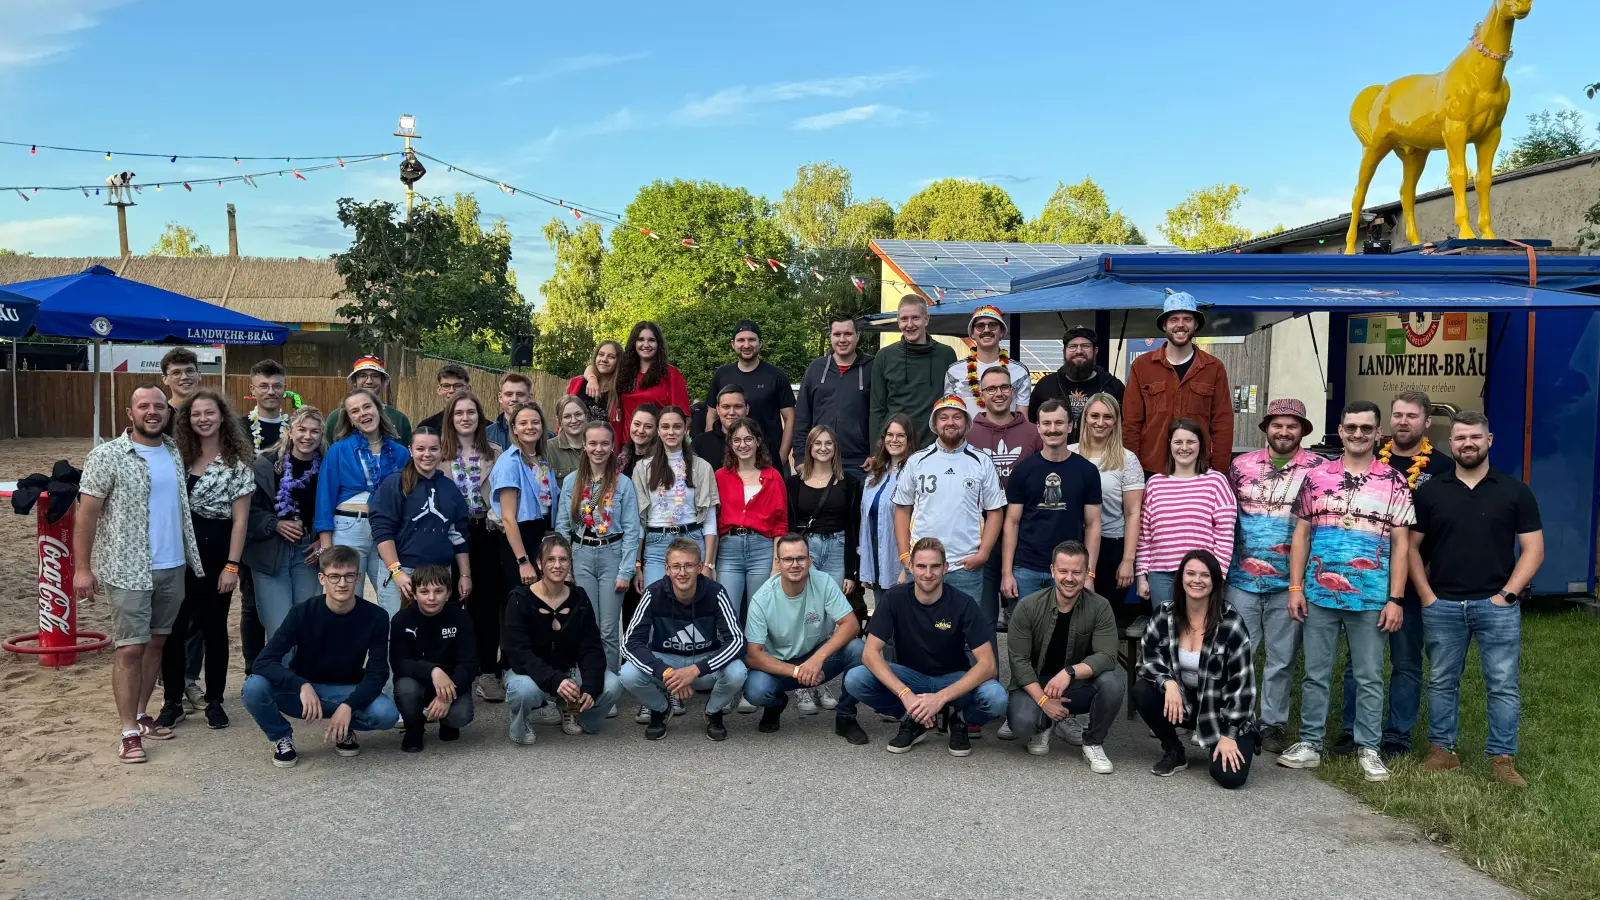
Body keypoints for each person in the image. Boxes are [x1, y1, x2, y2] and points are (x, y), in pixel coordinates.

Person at [1278, 400, 1413, 783]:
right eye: (1351, 427)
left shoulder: (1393, 481)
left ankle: (1368, 747)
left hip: (1371, 597)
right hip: (1320, 597)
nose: (1358, 434)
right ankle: (1310, 743)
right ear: (1340, 431)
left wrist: (1395, 598)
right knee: (1316, 673)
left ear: (1377, 433)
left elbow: (1402, 545)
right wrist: (1295, 586)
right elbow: (1301, 535)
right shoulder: (1317, 478)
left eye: (1366, 429)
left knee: (1369, 675)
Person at [1410, 410, 1543, 787]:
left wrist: (1508, 595)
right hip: (1444, 605)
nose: (1467, 443)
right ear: (1449, 444)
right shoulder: (1431, 491)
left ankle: (1502, 758)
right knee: (1441, 680)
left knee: (1502, 682)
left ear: (1489, 440)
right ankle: (1441, 751)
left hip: (1496, 605)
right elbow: (1411, 549)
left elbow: (1533, 550)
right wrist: (1426, 595)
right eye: (1460, 438)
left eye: (1475, 437)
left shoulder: (1515, 491)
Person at [75, 385, 202, 763]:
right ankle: (128, 730)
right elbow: (87, 514)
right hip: (127, 568)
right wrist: (82, 569)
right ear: (130, 413)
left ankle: (143, 713)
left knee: (156, 644)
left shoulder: (176, 452)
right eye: (143, 406)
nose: (152, 411)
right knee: (130, 647)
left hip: (172, 565)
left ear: (167, 412)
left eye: (158, 406)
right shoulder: (107, 456)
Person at [1330, 390, 1457, 758]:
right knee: (1360, 658)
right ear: (1388, 422)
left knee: (1406, 659)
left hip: (1414, 577)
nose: (1404, 422)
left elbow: (1447, 524)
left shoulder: (1442, 469)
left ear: (1427, 422)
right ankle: (1351, 730)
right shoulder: (1371, 461)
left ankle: (1397, 734)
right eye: (1398, 415)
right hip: (1367, 577)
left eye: (1412, 416)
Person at [844, 538, 1007, 756]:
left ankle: (959, 721)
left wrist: (939, 698)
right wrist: (906, 695)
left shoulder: (963, 603)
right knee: (856, 679)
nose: (927, 573)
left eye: (935, 566)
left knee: (996, 697)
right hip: (910, 678)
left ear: (945, 568)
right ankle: (912, 718)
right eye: (921, 566)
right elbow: (869, 654)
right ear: (910, 566)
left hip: (952, 678)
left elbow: (988, 666)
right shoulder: (894, 599)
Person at [241, 545, 400, 767]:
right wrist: (301, 685)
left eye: (348, 576)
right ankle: (281, 737)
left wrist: (349, 706)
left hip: (346, 690)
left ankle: (345, 727)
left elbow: (377, 673)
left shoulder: (376, 617)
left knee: (386, 714)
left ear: (358, 578)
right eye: (334, 576)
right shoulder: (303, 612)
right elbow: (263, 662)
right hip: (304, 693)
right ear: (322, 578)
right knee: (253, 687)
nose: (342, 583)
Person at [1226, 398, 1322, 754]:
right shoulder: (1240, 466)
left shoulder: (1318, 468)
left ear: (1302, 430)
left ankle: (1272, 724)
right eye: (1278, 425)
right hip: (1241, 579)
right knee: (1240, 654)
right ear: (1266, 427)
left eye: (1292, 425)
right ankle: (1237, 717)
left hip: (1290, 582)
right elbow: (1227, 517)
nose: (1284, 432)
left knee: (1282, 658)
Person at [161, 389, 255, 730]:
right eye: (196, 413)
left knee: (215, 629)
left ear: (222, 417)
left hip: (217, 552)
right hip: (176, 554)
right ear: (187, 419)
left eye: (209, 413)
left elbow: (241, 520)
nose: (203, 419)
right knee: (174, 629)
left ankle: (215, 699)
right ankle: (172, 700)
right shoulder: (174, 456)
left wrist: (232, 565)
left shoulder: (237, 464)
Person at [1133, 549, 1259, 787]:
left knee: (1230, 778)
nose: (1197, 580)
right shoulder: (1165, 613)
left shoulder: (1231, 622)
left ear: (1214, 581)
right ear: (1181, 578)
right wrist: (1168, 683)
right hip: (1182, 702)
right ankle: (1174, 750)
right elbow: (1147, 659)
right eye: (1190, 573)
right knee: (1142, 690)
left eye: (1204, 575)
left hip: (1219, 709)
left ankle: (1228, 740)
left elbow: (1243, 686)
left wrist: (1229, 734)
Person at [1004, 540, 1123, 772]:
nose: (1069, 578)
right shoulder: (1028, 607)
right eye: (1063, 571)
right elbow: (1019, 662)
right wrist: (1043, 701)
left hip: (1075, 684)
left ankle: (1093, 742)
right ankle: (1045, 723)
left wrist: (1070, 672)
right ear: (1052, 571)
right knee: (1022, 724)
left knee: (1112, 684)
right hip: (1036, 684)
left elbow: (1107, 656)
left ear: (1087, 572)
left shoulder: (1100, 606)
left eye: (1077, 572)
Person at [895, 395, 1007, 633]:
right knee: (920, 631)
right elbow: (902, 509)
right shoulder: (917, 462)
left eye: (957, 417)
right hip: (923, 566)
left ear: (967, 423)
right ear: (934, 424)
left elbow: (995, 512)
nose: (950, 422)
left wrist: (983, 554)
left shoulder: (982, 462)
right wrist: (906, 556)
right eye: (943, 417)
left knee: (965, 635)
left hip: (965, 566)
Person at [742, 534, 868, 743]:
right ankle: (775, 705)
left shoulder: (823, 581)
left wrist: (817, 660)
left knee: (858, 649)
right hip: (781, 665)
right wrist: (798, 671)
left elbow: (851, 625)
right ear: (777, 563)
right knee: (755, 691)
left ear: (810, 561)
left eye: (800, 558)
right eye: (788, 559)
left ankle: (846, 716)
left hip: (818, 657)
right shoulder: (762, 598)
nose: (795, 565)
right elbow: (753, 656)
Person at [620, 538, 748, 741]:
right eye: (676, 566)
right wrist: (667, 673)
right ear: (667, 569)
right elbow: (629, 643)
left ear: (699, 567)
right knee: (628, 674)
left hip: (702, 663)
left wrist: (694, 671)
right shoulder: (653, 593)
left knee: (737, 671)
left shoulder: (715, 592)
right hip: (667, 661)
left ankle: (712, 711)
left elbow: (738, 641)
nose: (682, 572)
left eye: (689, 565)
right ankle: (661, 708)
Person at [503, 535, 625, 742]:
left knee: (613, 684)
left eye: (563, 559)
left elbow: (591, 647)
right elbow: (519, 652)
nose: (557, 565)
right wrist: (555, 680)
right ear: (540, 564)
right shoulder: (519, 599)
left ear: (570, 563)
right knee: (522, 691)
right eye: (551, 559)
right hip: (529, 672)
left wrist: (590, 687)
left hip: (569, 670)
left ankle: (578, 713)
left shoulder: (579, 597)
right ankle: (521, 723)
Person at [554, 420, 642, 676]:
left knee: (608, 629)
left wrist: (625, 571)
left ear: (613, 446)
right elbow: (563, 526)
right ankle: (587, 683)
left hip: (611, 555)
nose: (598, 449)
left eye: (605, 443)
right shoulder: (572, 481)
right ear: (584, 445)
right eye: (593, 443)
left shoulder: (623, 483)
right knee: (584, 624)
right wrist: (565, 565)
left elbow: (631, 529)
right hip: (581, 554)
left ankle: (609, 686)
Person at [315, 389, 410, 619]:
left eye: (367, 407)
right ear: (349, 418)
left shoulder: (399, 453)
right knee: (345, 601)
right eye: (354, 411)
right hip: (348, 530)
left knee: (395, 600)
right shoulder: (339, 451)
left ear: (378, 409)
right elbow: (324, 498)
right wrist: (326, 548)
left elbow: (408, 498)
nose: (363, 413)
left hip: (387, 532)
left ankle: (389, 654)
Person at [1001, 399, 1102, 604]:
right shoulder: (1023, 470)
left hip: (1071, 570)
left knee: (1069, 634)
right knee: (1026, 633)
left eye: (1059, 423)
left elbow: (1093, 525)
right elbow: (1012, 522)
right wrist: (1007, 572)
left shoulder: (1087, 471)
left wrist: (1089, 574)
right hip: (1027, 569)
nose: (1052, 429)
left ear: (1070, 426)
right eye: (1046, 423)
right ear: (1038, 427)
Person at [439, 391, 505, 703]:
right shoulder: (439, 454)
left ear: (480, 417)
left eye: (471, 412)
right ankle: (449, 670)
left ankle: (487, 672)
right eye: (459, 413)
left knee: (486, 605)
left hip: (485, 530)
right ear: (450, 418)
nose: (465, 418)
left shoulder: (495, 451)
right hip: (449, 532)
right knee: (448, 600)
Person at [245, 406, 325, 658]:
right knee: (279, 625)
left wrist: (323, 538)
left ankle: (304, 685)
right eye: (301, 429)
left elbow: (332, 506)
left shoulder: (326, 466)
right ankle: (281, 685)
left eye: (315, 431)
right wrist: (275, 523)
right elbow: (247, 510)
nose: (307, 436)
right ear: (290, 431)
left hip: (308, 552)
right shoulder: (266, 464)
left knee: (307, 622)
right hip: (271, 553)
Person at [1123, 292, 1233, 476]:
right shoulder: (1141, 367)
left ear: (1196, 324)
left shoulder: (1214, 368)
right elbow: (1131, 423)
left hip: (1199, 470)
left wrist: (1219, 472)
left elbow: (1223, 424)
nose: (1180, 325)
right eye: (1174, 319)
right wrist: (1132, 472)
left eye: (1187, 319)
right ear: (1164, 325)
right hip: (1151, 469)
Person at [1135, 419, 1236, 617]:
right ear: (1170, 445)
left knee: (1200, 634)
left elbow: (1225, 535)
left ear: (1201, 446)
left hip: (1202, 576)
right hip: (1161, 575)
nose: (1184, 448)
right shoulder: (1155, 484)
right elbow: (1145, 536)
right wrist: (1141, 575)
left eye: (1191, 442)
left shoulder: (1216, 481)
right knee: (1165, 634)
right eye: (1178, 442)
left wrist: (1218, 576)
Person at [370, 427, 473, 603]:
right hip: (402, 572)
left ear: (441, 450)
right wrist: (397, 572)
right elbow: (382, 531)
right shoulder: (395, 484)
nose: (427, 454)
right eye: (420, 449)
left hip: (439, 574)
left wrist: (465, 574)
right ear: (410, 450)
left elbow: (458, 535)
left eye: (433, 449)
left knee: (435, 629)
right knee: (397, 627)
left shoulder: (449, 488)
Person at [234, 358, 291, 674]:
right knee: (252, 603)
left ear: (285, 388)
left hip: (289, 526)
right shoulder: (238, 428)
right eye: (264, 386)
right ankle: (254, 666)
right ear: (252, 389)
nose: (271, 391)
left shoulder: (293, 428)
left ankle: (284, 661)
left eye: (276, 386)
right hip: (251, 525)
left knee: (287, 600)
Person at [1069, 394, 1144, 628]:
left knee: (1102, 622)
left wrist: (1128, 560)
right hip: (1072, 544)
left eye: (1107, 417)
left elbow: (1133, 514)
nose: (1100, 422)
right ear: (1085, 418)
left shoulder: (1126, 459)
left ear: (1116, 422)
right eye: (1094, 416)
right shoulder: (1068, 453)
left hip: (1111, 546)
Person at [389, 564, 478, 752]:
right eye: (424, 591)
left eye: (438, 591)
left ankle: (448, 724)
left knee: (460, 715)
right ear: (413, 593)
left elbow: (469, 664)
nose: (431, 598)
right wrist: (432, 670)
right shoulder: (401, 620)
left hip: (451, 683)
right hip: (417, 682)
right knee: (405, 688)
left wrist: (446, 697)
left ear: (448, 593)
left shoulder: (461, 618)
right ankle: (414, 728)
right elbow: (399, 663)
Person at [631, 406, 719, 586]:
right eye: (665, 427)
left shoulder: (701, 466)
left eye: (677, 427)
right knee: (656, 603)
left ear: (686, 429)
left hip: (692, 540)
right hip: (656, 544)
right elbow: (638, 520)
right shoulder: (643, 468)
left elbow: (710, 519)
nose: (671, 432)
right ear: (657, 430)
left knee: (692, 605)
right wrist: (637, 563)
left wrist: (709, 564)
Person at [715, 417, 788, 623]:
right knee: (728, 612)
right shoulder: (720, 476)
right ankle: (731, 655)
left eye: (748, 439)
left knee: (758, 612)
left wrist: (776, 563)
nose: (743, 445)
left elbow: (781, 525)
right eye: (736, 440)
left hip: (762, 550)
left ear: (758, 441)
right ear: (730, 443)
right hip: (729, 549)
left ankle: (754, 655)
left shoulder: (773, 476)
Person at [489, 401, 560, 596]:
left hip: (542, 533)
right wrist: (523, 561)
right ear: (514, 428)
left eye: (535, 422)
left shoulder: (543, 458)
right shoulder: (510, 463)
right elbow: (508, 518)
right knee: (522, 601)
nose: (530, 427)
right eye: (523, 423)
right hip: (520, 539)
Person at [703, 319, 795, 467]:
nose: (746, 345)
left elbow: (790, 417)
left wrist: (782, 456)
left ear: (760, 343)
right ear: (733, 344)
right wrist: (712, 448)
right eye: (741, 340)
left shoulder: (776, 376)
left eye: (751, 339)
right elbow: (712, 414)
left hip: (768, 458)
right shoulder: (722, 375)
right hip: (728, 459)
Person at [871, 295, 956, 448]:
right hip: (896, 447)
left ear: (926, 319)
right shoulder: (884, 356)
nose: (909, 325)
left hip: (934, 447)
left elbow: (952, 404)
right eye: (904, 319)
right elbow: (877, 409)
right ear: (898, 321)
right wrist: (875, 451)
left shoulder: (946, 355)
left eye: (915, 318)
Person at [793, 315, 874, 476]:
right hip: (819, 461)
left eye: (848, 334)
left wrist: (876, 453)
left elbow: (880, 413)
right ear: (830, 337)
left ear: (857, 336)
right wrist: (800, 457)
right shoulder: (816, 369)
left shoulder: (872, 367)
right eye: (837, 334)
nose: (842, 339)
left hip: (860, 464)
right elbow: (802, 416)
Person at [1029, 326, 1125, 443]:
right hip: (1057, 457)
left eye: (1085, 346)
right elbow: (1032, 425)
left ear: (1095, 351)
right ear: (1064, 352)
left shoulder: (1113, 386)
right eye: (1072, 346)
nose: (1079, 351)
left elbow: (1124, 426)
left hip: (1101, 457)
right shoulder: (1045, 385)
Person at [859, 415, 913, 613]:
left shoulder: (914, 473)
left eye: (901, 435)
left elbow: (918, 522)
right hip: (877, 559)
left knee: (903, 622)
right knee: (883, 624)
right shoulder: (875, 474)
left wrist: (904, 567)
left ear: (910, 440)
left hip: (899, 560)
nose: (894, 439)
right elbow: (867, 521)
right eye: (889, 434)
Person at [943, 304, 1031, 420]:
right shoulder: (954, 371)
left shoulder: (1020, 372)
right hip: (968, 437)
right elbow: (950, 416)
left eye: (992, 325)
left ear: (1001, 332)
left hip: (1007, 437)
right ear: (972, 334)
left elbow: (1022, 419)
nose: (986, 330)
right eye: (980, 326)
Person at [967, 367, 1041, 488]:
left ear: (1012, 391)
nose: (999, 393)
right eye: (991, 389)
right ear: (982, 396)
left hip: (1024, 506)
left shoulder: (1034, 433)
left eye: (1004, 387)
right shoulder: (968, 435)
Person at [613, 321, 690, 432]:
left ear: (658, 344)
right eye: (640, 340)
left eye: (651, 340)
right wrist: (591, 377)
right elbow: (599, 372)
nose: (646, 345)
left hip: (659, 444)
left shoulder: (671, 374)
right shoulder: (624, 373)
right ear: (634, 343)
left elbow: (684, 417)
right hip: (628, 445)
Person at [324, 356, 414, 446]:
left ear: (382, 381)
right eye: (363, 375)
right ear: (355, 381)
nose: (369, 381)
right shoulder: (336, 418)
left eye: (375, 376)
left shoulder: (400, 420)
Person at [691, 384, 745, 469]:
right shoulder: (700, 443)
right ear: (718, 409)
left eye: (738, 406)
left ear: (747, 409)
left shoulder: (759, 442)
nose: (731, 412)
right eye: (726, 407)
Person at [568, 340, 622, 423]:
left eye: (611, 357)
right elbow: (564, 416)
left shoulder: (622, 390)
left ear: (618, 361)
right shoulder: (577, 383)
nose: (604, 359)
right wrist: (592, 378)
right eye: (601, 354)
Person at [415, 363, 471, 434]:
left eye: (458, 386)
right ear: (439, 390)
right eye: (446, 386)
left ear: (468, 389)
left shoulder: (486, 428)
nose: (451, 390)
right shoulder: (427, 426)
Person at [544, 395, 589, 483]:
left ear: (586, 415)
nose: (574, 420)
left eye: (578, 414)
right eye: (567, 417)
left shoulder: (597, 447)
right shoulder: (548, 449)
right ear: (559, 420)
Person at [158, 347, 201, 436]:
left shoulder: (214, 413)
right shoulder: (160, 416)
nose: (184, 377)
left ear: (199, 375)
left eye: (189, 371)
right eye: (176, 373)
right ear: (165, 379)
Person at [488, 372, 533, 449]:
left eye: (520, 394)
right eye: (509, 394)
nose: (514, 399)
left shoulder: (547, 437)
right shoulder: (486, 436)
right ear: (500, 397)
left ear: (529, 398)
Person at [619, 402, 659, 478]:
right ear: (630, 424)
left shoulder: (659, 462)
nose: (640, 431)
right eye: (637, 424)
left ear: (656, 431)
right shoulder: (622, 458)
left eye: (648, 426)